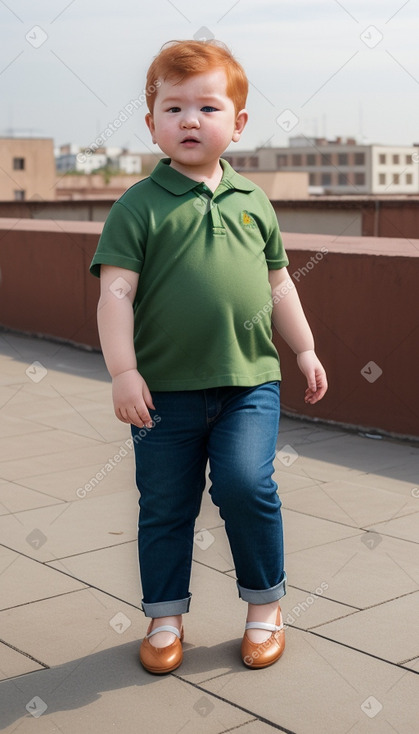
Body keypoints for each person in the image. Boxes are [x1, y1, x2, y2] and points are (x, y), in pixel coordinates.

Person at [90, 39, 328, 675]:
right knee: (165, 502)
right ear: (152, 124)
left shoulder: (255, 203)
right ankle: (165, 615)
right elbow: (115, 295)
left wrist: (303, 349)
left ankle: (264, 608)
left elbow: (280, 284)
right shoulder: (137, 206)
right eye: (173, 108)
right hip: (162, 392)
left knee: (248, 485)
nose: (189, 120)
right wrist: (123, 370)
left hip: (250, 383)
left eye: (206, 106)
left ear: (238, 124)